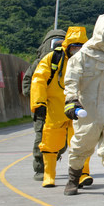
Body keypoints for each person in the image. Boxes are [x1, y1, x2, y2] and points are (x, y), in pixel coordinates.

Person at [62, 13, 104, 197]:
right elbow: (71, 81)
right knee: (81, 145)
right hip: (87, 108)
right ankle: (73, 179)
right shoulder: (82, 57)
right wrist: (71, 101)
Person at [30, 26, 89, 188]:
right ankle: (48, 175)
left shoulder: (88, 61)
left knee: (81, 142)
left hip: (79, 109)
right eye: (74, 47)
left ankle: (83, 174)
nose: (77, 51)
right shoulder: (53, 58)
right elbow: (38, 80)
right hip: (55, 110)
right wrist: (38, 103)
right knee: (50, 144)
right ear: (67, 46)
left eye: (80, 47)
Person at [23, 28, 66, 180]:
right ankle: (41, 168)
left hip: (61, 107)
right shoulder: (38, 64)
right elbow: (27, 83)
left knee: (63, 139)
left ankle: (53, 157)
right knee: (41, 137)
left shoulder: (68, 62)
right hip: (42, 109)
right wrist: (37, 98)